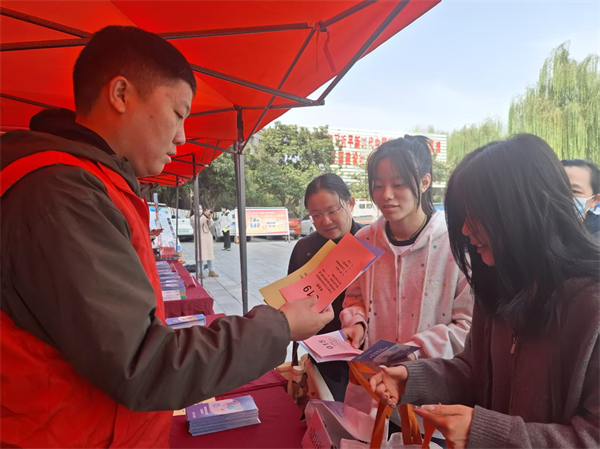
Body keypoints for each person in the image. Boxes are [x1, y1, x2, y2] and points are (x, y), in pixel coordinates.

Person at [0, 25, 333, 448]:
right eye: (178, 113)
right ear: (121, 94)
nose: (182, 136)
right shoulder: (60, 194)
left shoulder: (90, 182)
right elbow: (144, 362)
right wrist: (279, 327)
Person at [370, 134, 600, 449]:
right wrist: (413, 378)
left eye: (477, 215)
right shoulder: (499, 286)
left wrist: (488, 433)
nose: (465, 230)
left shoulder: (590, 306)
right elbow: (475, 370)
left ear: (526, 209)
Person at [340, 135, 474, 414]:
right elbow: (354, 298)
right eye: (378, 185)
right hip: (371, 385)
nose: (386, 195)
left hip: (430, 390)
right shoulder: (363, 240)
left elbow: (468, 326)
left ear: (424, 182)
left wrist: (412, 350)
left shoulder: (456, 243)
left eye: (398, 184)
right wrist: (356, 323)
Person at [288, 173, 361, 401]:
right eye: (316, 215)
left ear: (350, 203)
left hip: (364, 349)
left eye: (332, 211)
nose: (325, 221)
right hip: (322, 350)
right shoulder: (304, 248)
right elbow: (292, 298)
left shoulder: (370, 242)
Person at [561, 158, 600, 241]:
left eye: (574, 191)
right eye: (558, 187)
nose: (563, 195)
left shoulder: (596, 241)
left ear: (595, 200)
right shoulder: (538, 227)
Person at [190, 207, 219, 278]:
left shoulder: (204, 217)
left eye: (201, 208)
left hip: (207, 237)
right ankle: (200, 272)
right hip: (200, 238)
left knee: (210, 255)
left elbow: (210, 225)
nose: (200, 210)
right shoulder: (193, 217)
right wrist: (205, 216)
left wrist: (209, 217)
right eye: (198, 208)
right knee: (200, 256)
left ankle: (211, 271)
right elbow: (198, 224)